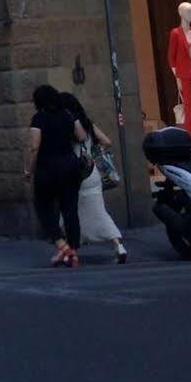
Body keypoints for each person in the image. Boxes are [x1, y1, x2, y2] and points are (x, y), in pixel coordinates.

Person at [56, 89, 126, 263]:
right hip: (91, 172)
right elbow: (107, 141)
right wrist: (93, 150)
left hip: (74, 174)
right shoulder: (88, 124)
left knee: (67, 216)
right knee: (99, 212)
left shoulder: (67, 125)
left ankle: (70, 251)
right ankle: (118, 245)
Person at [26, 85, 90, 269]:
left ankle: (62, 246)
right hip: (70, 167)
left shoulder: (39, 118)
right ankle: (73, 252)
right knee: (70, 209)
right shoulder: (68, 115)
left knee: (43, 208)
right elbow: (82, 136)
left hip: (48, 169)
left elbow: (34, 147)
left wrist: (28, 170)